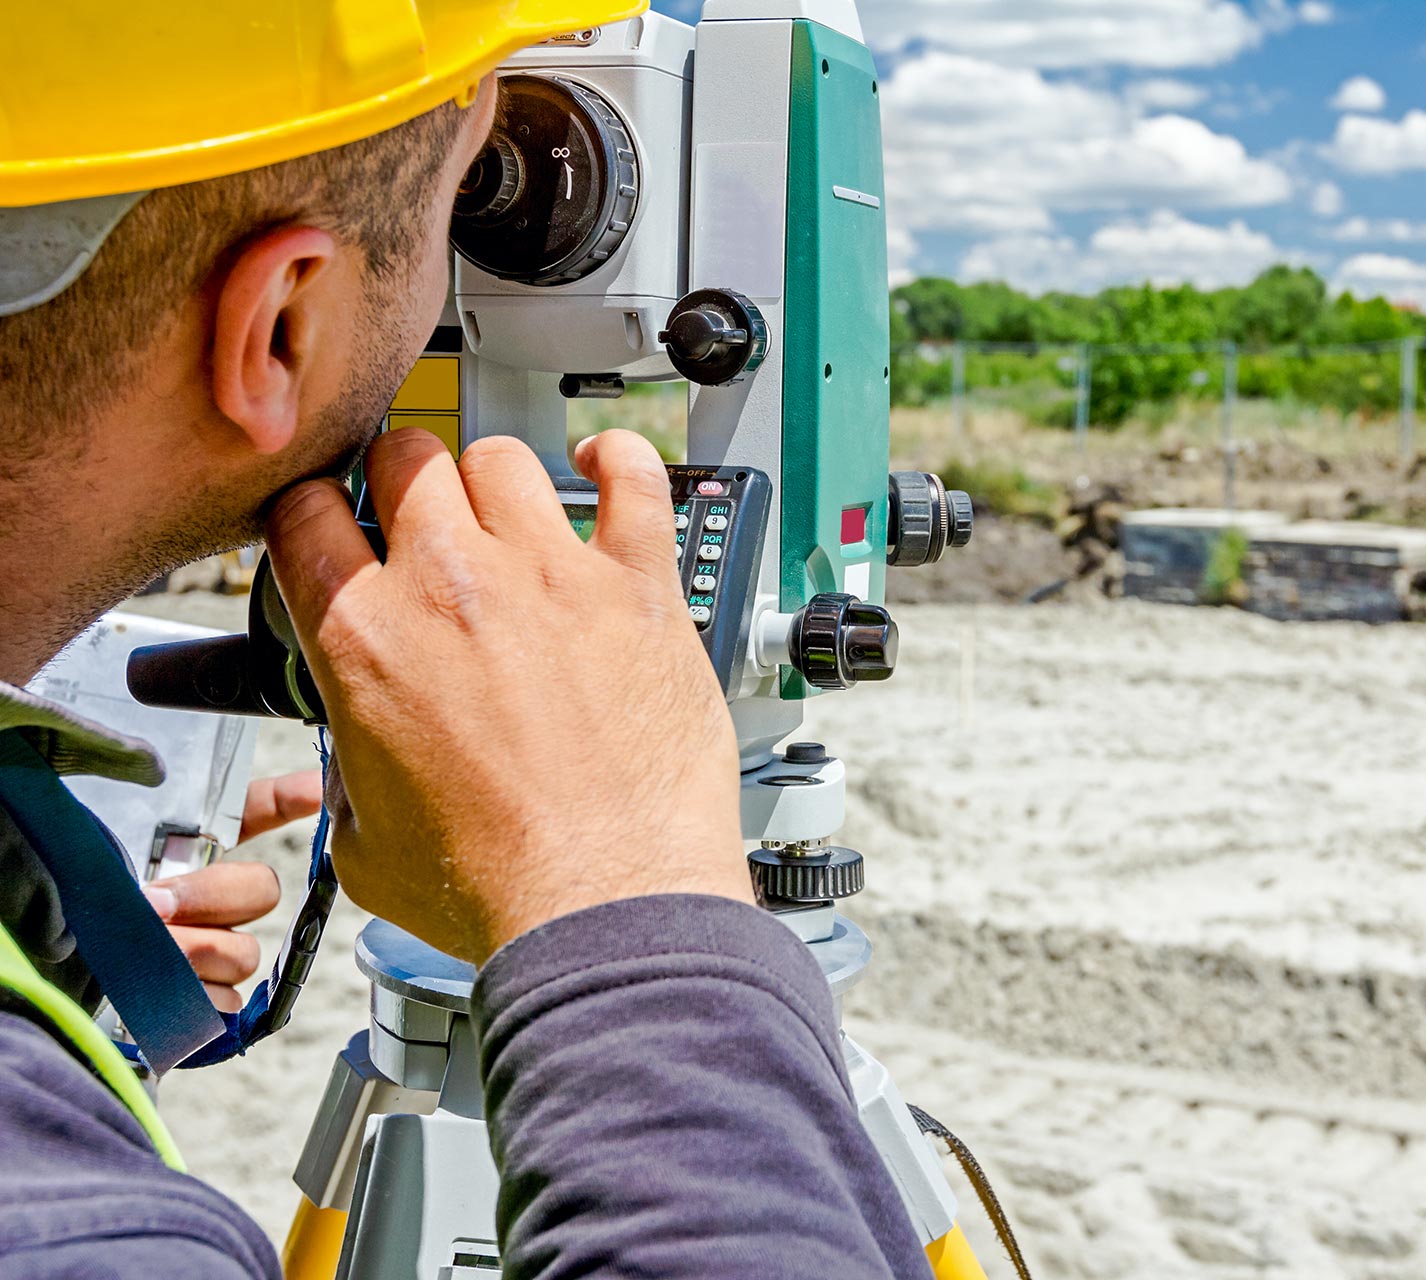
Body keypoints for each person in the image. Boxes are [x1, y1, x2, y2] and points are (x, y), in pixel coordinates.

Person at [0, 3, 928, 1278]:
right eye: (459, 206)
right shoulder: (86, 1237)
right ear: (277, 325)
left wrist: (40, 949)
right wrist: (624, 909)